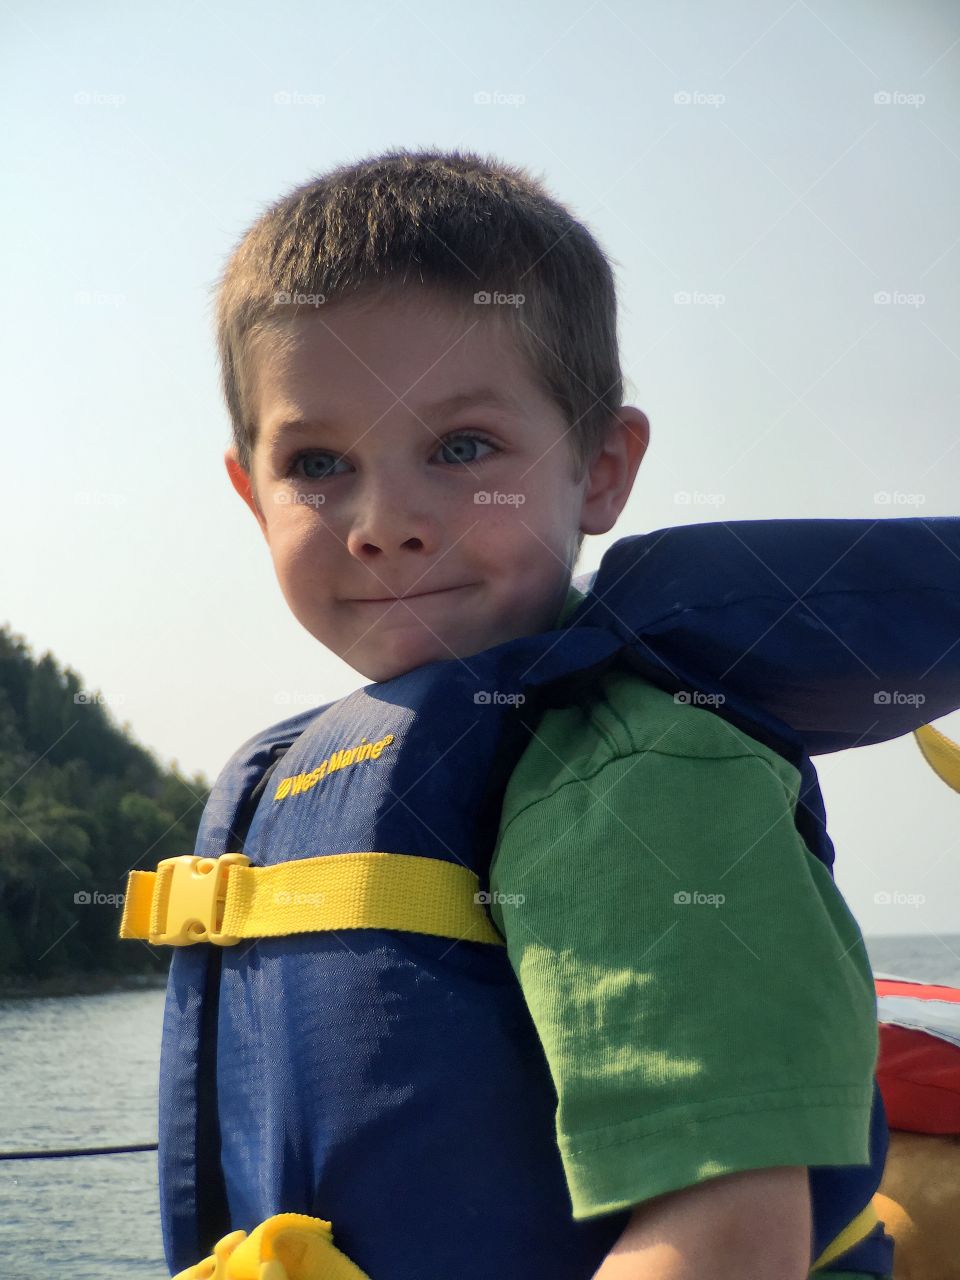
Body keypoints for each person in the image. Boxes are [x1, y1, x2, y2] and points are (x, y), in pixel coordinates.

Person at [162, 147, 897, 1278]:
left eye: (463, 448)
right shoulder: (324, 765)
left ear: (601, 468)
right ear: (250, 491)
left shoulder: (637, 774)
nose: (385, 519)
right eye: (318, 461)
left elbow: (725, 1235)